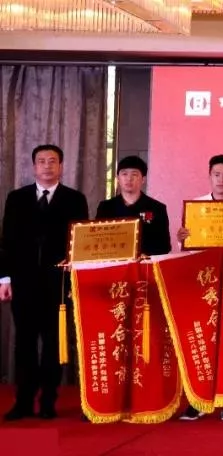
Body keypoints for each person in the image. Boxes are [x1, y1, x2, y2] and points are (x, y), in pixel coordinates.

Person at [1, 144, 89, 421]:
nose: (47, 166)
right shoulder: (17, 198)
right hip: (24, 282)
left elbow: (82, 242)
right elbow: (6, 241)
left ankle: (49, 401)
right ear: (33, 166)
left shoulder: (75, 199)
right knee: (24, 344)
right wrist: (5, 278)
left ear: (61, 166)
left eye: (53, 161)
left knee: (54, 344)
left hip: (58, 284)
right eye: (42, 161)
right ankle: (24, 402)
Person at [176, 154, 223, 421]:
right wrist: (182, 239)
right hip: (203, 286)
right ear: (209, 177)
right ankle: (198, 400)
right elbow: (186, 251)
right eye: (217, 175)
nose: (222, 180)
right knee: (201, 342)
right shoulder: (197, 207)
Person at [95, 156, 171, 255]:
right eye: (124, 174)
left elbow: (165, 246)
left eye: (134, 174)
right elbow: (98, 241)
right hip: (114, 262)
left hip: (145, 262)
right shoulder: (105, 207)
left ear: (143, 179)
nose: (129, 179)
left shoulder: (157, 208)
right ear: (118, 178)